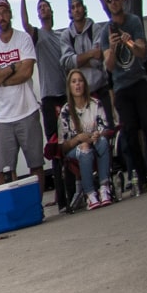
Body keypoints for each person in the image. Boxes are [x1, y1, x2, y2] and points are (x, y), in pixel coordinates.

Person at [102, 0, 147, 193]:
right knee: (130, 130)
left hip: (139, 80)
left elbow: (142, 52)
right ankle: (141, 174)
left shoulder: (133, 21)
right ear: (108, 5)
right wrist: (112, 47)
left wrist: (129, 43)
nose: (114, 1)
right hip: (121, 87)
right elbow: (109, 67)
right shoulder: (106, 31)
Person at [0, 0, 43, 187]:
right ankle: (14, 210)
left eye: (5, 12)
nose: (2, 17)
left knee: (36, 164)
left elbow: (26, 72)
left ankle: (36, 206)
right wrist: (10, 69)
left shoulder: (23, 38)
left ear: (10, 14)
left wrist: (2, 78)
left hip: (27, 110)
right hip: (4, 117)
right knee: (3, 170)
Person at [20, 0, 68, 146]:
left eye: (45, 6)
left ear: (51, 11)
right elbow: (25, 24)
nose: (43, 9)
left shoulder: (62, 36)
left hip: (67, 94)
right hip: (49, 97)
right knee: (54, 142)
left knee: (71, 137)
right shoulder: (38, 35)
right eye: (40, 8)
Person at [59, 68, 114, 209]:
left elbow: (105, 128)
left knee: (101, 141)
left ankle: (104, 187)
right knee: (84, 148)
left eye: (80, 81)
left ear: (85, 84)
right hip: (75, 148)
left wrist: (98, 134)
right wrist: (78, 139)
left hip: (95, 142)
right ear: (69, 86)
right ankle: (90, 194)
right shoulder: (65, 111)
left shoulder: (96, 104)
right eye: (74, 82)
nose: (77, 85)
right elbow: (63, 146)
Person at [63, 0, 110, 121]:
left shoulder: (95, 29)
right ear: (70, 12)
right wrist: (89, 54)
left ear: (83, 7)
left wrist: (77, 61)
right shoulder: (66, 36)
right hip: (80, 96)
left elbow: (98, 59)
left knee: (108, 129)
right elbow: (67, 63)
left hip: (100, 89)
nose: (76, 10)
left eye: (78, 6)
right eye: (73, 7)